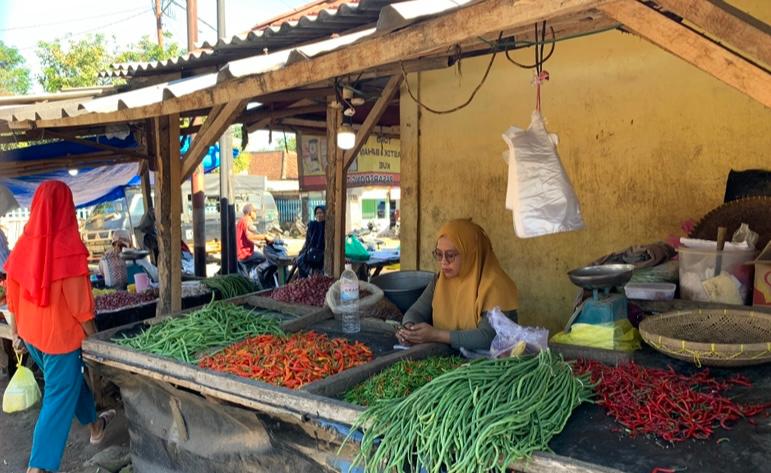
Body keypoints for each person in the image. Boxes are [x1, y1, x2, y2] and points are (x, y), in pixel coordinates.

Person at [3, 181, 115, 473]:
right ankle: (37, 468)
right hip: (59, 342)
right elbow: (81, 309)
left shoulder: (23, 245)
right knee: (57, 397)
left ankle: (96, 427)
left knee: (70, 386)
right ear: (67, 206)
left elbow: (11, 296)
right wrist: (99, 340)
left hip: (31, 336)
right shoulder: (68, 248)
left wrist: (15, 333)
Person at [396, 219, 519, 351]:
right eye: (439, 254)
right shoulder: (440, 280)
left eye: (450, 255)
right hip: (451, 360)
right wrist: (409, 329)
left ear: (471, 254)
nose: (443, 262)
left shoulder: (496, 286)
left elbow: (488, 337)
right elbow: (416, 311)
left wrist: (436, 335)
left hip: (486, 363)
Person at [236, 203, 270, 268]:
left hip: (241, 252)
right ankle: (258, 276)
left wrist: (256, 244)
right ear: (250, 213)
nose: (255, 214)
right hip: (245, 254)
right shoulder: (247, 220)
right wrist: (264, 237)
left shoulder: (242, 220)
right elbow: (249, 236)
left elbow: (245, 238)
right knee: (265, 259)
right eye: (254, 212)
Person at [295, 205, 326, 278]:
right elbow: (308, 242)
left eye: (321, 212)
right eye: (317, 213)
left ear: (325, 214)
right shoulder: (312, 225)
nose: (319, 215)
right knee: (300, 260)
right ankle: (309, 274)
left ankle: (313, 274)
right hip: (312, 251)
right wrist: (301, 253)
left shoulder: (327, 225)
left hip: (322, 252)